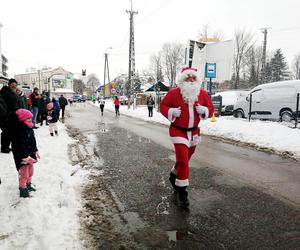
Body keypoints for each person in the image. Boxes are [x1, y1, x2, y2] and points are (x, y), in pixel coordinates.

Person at [160, 67, 214, 208]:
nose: (190, 80)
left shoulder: (202, 93)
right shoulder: (174, 93)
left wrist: (205, 110)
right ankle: (182, 192)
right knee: (183, 160)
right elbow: (163, 106)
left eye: (193, 78)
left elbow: (211, 108)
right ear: (182, 79)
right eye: (187, 78)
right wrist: (171, 111)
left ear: (197, 80)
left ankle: (174, 174)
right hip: (178, 132)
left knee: (185, 159)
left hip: (194, 132)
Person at [11, 109, 39, 198]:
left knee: (30, 172)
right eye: (28, 119)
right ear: (22, 119)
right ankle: (22, 188)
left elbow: (32, 141)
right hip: (23, 156)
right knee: (24, 173)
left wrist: (35, 150)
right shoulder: (19, 131)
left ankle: (28, 184)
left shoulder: (29, 128)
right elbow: (19, 145)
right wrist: (25, 156)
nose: (31, 120)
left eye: (31, 118)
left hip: (30, 154)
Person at [0, 78, 18, 153]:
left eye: (15, 85)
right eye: (12, 84)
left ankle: (6, 146)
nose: (14, 86)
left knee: (9, 132)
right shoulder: (4, 92)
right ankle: (4, 148)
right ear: (9, 85)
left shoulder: (11, 92)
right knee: (6, 132)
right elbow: (2, 104)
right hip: (5, 116)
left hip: (10, 115)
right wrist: (5, 115)